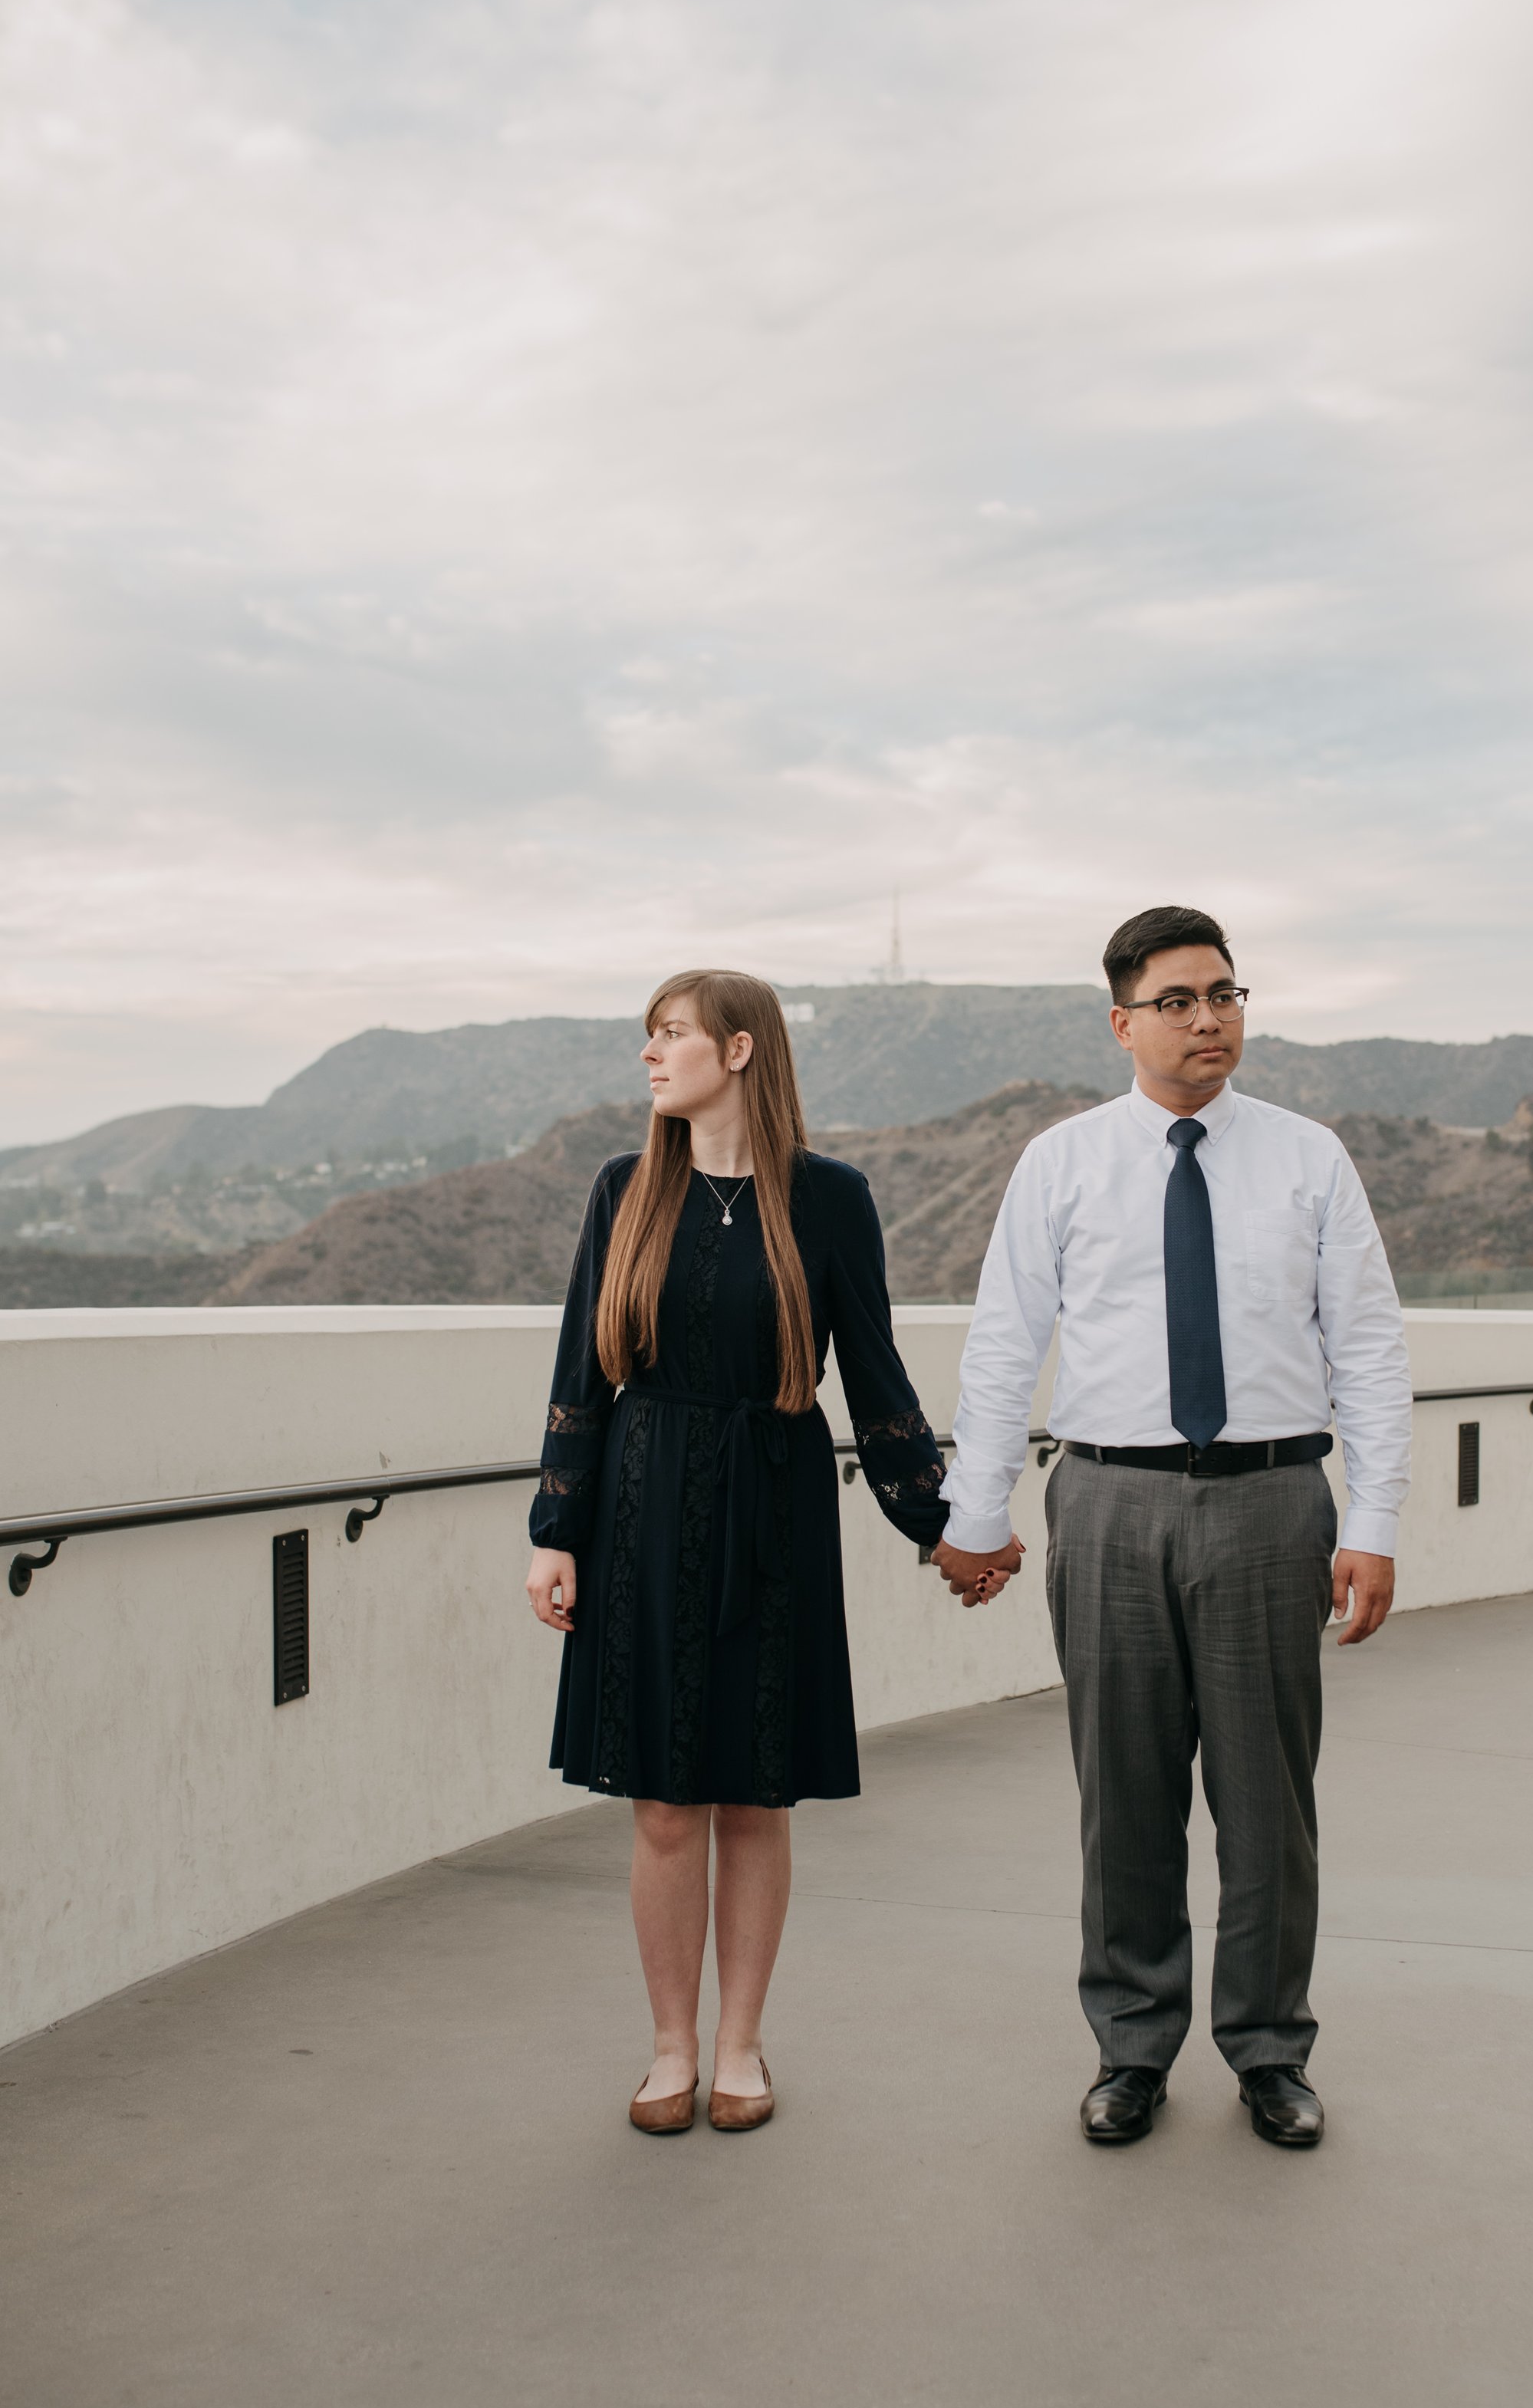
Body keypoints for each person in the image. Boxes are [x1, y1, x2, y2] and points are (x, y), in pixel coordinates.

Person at [933, 906, 1411, 2149]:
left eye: (1227, 994)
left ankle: (1268, 2051)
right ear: (1123, 1023)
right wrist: (974, 1514)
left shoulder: (1309, 1159)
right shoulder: (1063, 1163)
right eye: (1181, 1000)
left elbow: (1366, 1348)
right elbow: (1002, 1347)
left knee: (1268, 1807)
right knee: (1126, 1800)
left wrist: (1373, 1519)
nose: (1211, 1020)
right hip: (1107, 1502)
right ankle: (1133, 2047)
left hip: (1270, 1504)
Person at [525, 969, 949, 2135]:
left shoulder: (829, 1198)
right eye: (649, 1036)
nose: (652, 1055)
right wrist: (554, 1530)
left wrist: (942, 1523)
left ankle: (742, 2043)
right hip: (641, 1505)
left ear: (744, 1049)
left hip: (776, 1503)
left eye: (672, 1034)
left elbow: (874, 1369)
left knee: (757, 1797)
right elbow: (581, 1370)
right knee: (664, 1803)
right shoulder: (625, 1190)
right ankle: (670, 2048)